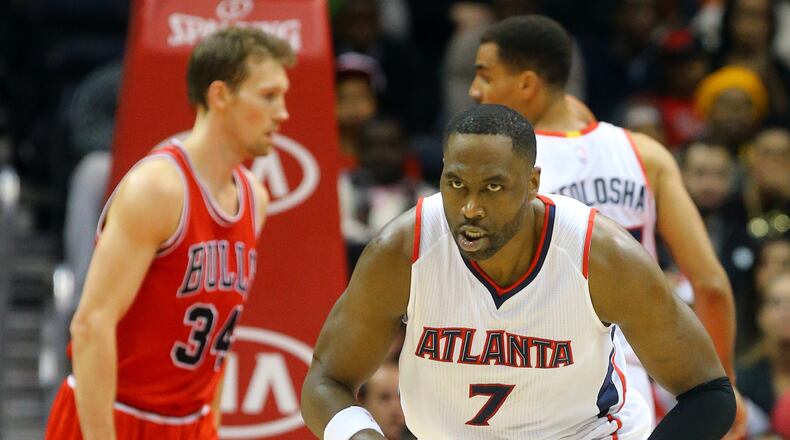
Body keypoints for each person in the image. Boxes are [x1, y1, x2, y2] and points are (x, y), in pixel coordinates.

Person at [301, 104, 735, 439]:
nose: (471, 208)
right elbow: (326, 379)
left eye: (493, 187)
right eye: (456, 184)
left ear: (532, 183)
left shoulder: (601, 256)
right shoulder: (402, 251)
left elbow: (709, 394)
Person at [467, 15, 745, 435]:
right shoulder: (644, 153)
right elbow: (711, 286)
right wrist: (721, 389)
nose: (475, 90)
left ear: (526, 84)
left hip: (542, 379)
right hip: (639, 383)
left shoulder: (504, 169)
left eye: (486, 77)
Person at [44, 27, 294, 439]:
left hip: (189, 422)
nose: (283, 113)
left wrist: (210, 427)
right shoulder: (159, 189)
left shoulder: (255, 198)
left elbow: (219, 341)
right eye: (268, 96)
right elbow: (90, 324)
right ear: (220, 96)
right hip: (112, 414)